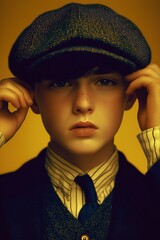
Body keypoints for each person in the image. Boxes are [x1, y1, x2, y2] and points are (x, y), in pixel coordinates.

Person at [0, 3, 160, 240]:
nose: (83, 103)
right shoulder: (5, 197)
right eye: (61, 82)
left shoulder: (153, 196)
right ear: (33, 97)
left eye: (104, 82)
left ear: (131, 95)